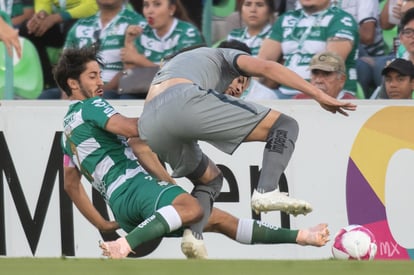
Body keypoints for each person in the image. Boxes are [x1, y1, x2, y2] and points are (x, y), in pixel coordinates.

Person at [56, 46, 330, 260]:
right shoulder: (92, 106)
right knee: (190, 207)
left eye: (100, 75)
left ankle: (304, 236)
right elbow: (130, 128)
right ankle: (123, 245)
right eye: (92, 76)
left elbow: (70, 184)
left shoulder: (67, 136)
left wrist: (103, 223)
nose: (100, 82)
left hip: (119, 206)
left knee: (220, 220)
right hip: (135, 187)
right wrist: (166, 118)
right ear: (72, 84)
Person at [137, 39, 356, 258]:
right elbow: (268, 67)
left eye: (245, 84)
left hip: (149, 124)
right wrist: (319, 95)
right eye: (240, 79)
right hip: (182, 102)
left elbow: (147, 128)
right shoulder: (225, 55)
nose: (240, 88)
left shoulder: (182, 64)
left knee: (210, 179)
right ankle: (266, 191)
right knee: (286, 125)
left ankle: (194, 236)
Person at [38, 0, 147, 99]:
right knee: (45, 98)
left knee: (103, 97)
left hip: (113, 92)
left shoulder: (138, 24)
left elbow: (135, 70)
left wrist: (102, 89)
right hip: (77, 88)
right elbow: (64, 65)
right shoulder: (80, 25)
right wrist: (68, 91)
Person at [257, 0, 359, 99]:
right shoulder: (286, 18)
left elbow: (330, 64)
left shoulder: (341, 19)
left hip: (323, 94)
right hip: (284, 92)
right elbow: (262, 61)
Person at [119, 0, 204, 99]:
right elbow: (129, 72)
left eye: (157, 4)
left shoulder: (188, 33)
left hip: (176, 93)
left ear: (171, 9)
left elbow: (180, 75)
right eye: (146, 5)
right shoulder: (141, 30)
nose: (149, 11)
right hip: (142, 89)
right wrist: (128, 41)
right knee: (118, 97)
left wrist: (140, 61)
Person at [19, 0, 99, 89]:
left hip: (88, 21)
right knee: (29, 29)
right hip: (57, 20)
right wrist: (42, 13)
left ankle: (74, 82)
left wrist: (59, 17)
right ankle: (48, 82)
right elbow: (43, 2)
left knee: (72, 28)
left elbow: (93, 5)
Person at [224, 0, 279, 100]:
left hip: (260, 91)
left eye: (259, 5)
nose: (253, 10)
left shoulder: (276, 37)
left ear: (270, 11)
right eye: (248, 4)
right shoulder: (234, 34)